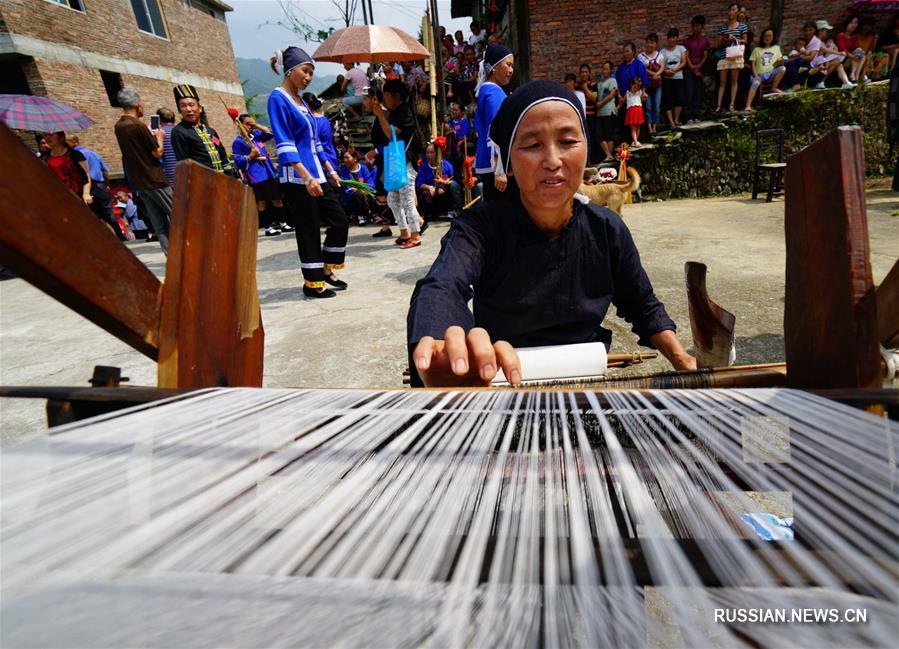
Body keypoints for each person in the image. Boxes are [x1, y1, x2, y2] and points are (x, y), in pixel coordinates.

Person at [406, 80, 696, 388]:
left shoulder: (607, 229)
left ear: (586, 148)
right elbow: (443, 286)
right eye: (532, 145)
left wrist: (681, 359)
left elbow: (641, 302)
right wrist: (440, 345)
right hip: (505, 375)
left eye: (568, 141)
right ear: (510, 163)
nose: (553, 161)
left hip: (583, 375)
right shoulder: (480, 227)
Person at [268, 46, 349, 298]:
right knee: (308, 228)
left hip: (318, 175)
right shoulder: (277, 98)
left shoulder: (302, 102)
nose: (309, 77)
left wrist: (330, 171)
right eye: (305, 70)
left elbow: (314, 144)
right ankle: (313, 283)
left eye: (312, 72)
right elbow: (284, 142)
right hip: (299, 178)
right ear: (290, 70)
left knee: (340, 221)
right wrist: (306, 177)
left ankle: (325, 268)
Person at [114, 87, 171, 253]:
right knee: (177, 214)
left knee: (159, 224)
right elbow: (157, 152)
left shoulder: (119, 126)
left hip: (140, 182)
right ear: (137, 104)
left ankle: (170, 255)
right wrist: (159, 138)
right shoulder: (137, 125)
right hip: (155, 178)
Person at [370, 79, 424, 248]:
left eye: (386, 95)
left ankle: (415, 236)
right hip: (397, 162)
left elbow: (392, 134)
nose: (385, 99)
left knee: (407, 201)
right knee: (393, 200)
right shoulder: (396, 111)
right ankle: (404, 232)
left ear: (396, 95)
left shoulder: (405, 111)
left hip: (406, 162)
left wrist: (379, 114)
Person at [231, 113, 292, 237]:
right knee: (262, 202)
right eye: (247, 124)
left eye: (252, 123)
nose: (250, 126)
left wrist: (257, 125)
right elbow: (238, 161)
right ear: (240, 125)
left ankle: (283, 222)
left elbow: (271, 133)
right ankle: (268, 227)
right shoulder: (238, 142)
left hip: (269, 171)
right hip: (256, 175)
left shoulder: (256, 136)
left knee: (277, 199)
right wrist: (251, 156)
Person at [474, 43, 514, 202]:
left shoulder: (487, 90)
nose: (511, 70)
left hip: (489, 164)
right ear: (495, 67)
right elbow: (494, 132)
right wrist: (499, 171)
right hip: (495, 168)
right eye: (508, 65)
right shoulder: (493, 92)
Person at [170, 85, 237, 175]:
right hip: (202, 182)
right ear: (179, 111)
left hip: (222, 180)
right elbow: (184, 163)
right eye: (183, 106)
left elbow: (222, 154)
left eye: (191, 105)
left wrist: (230, 174)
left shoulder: (211, 131)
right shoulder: (178, 132)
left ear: (200, 108)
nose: (188, 109)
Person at [66, 133, 121, 238]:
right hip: (100, 185)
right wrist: (107, 184)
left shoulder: (74, 156)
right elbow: (105, 171)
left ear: (74, 142)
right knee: (108, 212)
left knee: (94, 214)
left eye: (67, 142)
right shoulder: (92, 153)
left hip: (86, 186)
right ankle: (119, 236)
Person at [714, 3, 749, 113]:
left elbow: (745, 41)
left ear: (738, 12)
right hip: (725, 55)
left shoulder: (742, 26)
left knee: (734, 81)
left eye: (733, 10)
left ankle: (732, 105)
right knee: (722, 82)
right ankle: (719, 106)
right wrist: (724, 39)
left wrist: (734, 39)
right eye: (730, 10)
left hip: (735, 55)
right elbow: (718, 45)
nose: (731, 12)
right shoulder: (723, 27)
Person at [42, 131, 92, 206]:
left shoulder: (74, 154)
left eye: (51, 134)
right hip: (55, 197)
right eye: (45, 135)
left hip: (76, 196)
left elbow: (86, 175)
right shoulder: (44, 157)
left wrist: (86, 193)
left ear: (61, 138)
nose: (47, 137)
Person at [416, 142, 461, 222]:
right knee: (426, 194)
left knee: (442, 190)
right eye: (427, 153)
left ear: (437, 153)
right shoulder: (425, 167)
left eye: (432, 152)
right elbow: (419, 183)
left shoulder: (446, 165)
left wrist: (444, 182)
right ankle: (431, 214)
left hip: (444, 190)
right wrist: (429, 187)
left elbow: (454, 179)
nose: (429, 155)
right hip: (431, 191)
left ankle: (448, 211)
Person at [744, 27, 786, 110]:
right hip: (759, 74)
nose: (768, 38)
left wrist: (781, 61)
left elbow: (779, 62)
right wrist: (756, 75)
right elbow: (752, 64)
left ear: (773, 37)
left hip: (771, 74)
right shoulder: (757, 50)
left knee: (783, 68)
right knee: (755, 83)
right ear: (762, 38)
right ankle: (748, 106)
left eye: (770, 36)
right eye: (766, 36)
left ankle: (774, 88)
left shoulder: (776, 48)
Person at [615, 42, 649, 134]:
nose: (625, 54)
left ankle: (638, 141)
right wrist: (619, 96)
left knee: (637, 122)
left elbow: (644, 79)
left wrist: (643, 93)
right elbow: (617, 82)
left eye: (627, 51)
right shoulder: (621, 67)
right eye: (624, 52)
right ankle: (626, 144)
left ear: (633, 52)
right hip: (624, 99)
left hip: (636, 99)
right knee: (626, 123)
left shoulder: (638, 64)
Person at [809, 21, 855, 89]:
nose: (826, 33)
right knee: (837, 62)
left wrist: (834, 49)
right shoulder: (816, 41)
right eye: (825, 31)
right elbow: (825, 50)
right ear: (820, 31)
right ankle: (821, 82)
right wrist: (838, 53)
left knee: (839, 64)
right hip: (815, 65)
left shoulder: (822, 41)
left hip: (822, 63)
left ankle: (846, 82)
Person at [301, 92, 340, 172]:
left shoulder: (313, 122)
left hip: (323, 164)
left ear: (306, 105)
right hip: (331, 157)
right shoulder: (324, 119)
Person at [683, 15, 711, 123]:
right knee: (688, 94)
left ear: (702, 27)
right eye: (693, 26)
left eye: (698, 26)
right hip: (688, 71)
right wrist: (692, 68)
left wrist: (698, 67)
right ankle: (688, 117)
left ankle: (697, 116)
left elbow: (705, 55)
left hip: (700, 71)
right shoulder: (687, 41)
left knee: (698, 94)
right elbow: (686, 56)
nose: (695, 28)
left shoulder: (705, 41)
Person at [338, 148, 374, 226]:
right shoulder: (343, 171)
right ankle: (360, 216)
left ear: (355, 159)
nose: (345, 160)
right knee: (357, 194)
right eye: (344, 158)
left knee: (373, 194)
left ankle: (374, 214)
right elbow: (347, 187)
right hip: (350, 196)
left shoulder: (363, 168)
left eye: (347, 157)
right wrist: (359, 190)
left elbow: (369, 183)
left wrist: (365, 190)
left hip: (365, 193)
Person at [637, 34, 664, 135]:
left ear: (656, 44)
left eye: (652, 42)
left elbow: (662, 67)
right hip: (646, 86)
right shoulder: (640, 56)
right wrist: (654, 74)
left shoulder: (659, 54)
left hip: (658, 85)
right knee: (648, 107)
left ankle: (655, 127)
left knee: (656, 106)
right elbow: (642, 69)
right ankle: (649, 128)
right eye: (648, 42)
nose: (650, 44)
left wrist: (657, 74)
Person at [661, 28, 688, 129]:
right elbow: (662, 66)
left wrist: (674, 70)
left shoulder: (681, 49)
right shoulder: (663, 51)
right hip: (667, 79)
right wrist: (666, 72)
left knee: (680, 99)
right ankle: (671, 122)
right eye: (670, 38)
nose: (671, 40)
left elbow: (683, 63)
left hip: (678, 77)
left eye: (673, 37)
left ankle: (676, 119)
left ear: (677, 38)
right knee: (667, 100)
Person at [783, 22, 821, 90]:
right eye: (806, 30)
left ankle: (796, 84)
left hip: (808, 63)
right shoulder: (803, 39)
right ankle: (796, 84)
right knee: (790, 63)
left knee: (792, 62)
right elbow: (796, 52)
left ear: (815, 30)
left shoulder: (816, 41)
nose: (808, 32)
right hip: (800, 61)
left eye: (810, 30)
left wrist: (799, 57)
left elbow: (811, 57)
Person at [595, 61, 619, 162]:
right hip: (600, 113)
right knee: (598, 134)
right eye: (603, 69)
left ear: (610, 70)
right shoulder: (599, 83)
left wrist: (601, 103)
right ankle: (608, 155)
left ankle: (609, 157)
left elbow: (612, 94)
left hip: (609, 110)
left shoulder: (612, 80)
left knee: (609, 134)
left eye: (606, 69)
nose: (604, 71)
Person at [576, 64, 599, 162]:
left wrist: (585, 88)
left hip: (591, 116)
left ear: (589, 73)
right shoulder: (577, 86)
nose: (584, 74)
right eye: (582, 72)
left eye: (586, 72)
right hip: (580, 117)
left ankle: (592, 160)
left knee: (592, 138)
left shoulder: (593, 85)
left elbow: (593, 98)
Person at [836, 15, 866, 83]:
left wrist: (859, 50)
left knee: (862, 55)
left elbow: (857, 47)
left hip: (852, 60)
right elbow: (842, 49)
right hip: (842, 60)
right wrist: (853, 56)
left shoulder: (854, 37)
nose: (854, 25)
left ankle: (855, 76)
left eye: (856, 23)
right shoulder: (840, 35)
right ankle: (854, 76)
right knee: (857, 55)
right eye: (851, 23)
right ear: (847, 24)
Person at [156, 108, 178, 187]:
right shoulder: (181, 131)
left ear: (159, 120)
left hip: (169, 179)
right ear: (174, 119)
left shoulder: (158, 134)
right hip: (186, 175)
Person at [624, 77, 647, 147]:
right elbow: (634, 88)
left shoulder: (639, 91)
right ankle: (636, 141)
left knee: (638, 126)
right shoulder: (628, 92)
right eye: (634, 84)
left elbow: (643, 98)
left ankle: (635, 141)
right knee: (633, 127)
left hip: (638, 109)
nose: (635, 85)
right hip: (631, 110)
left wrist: (645, 96)